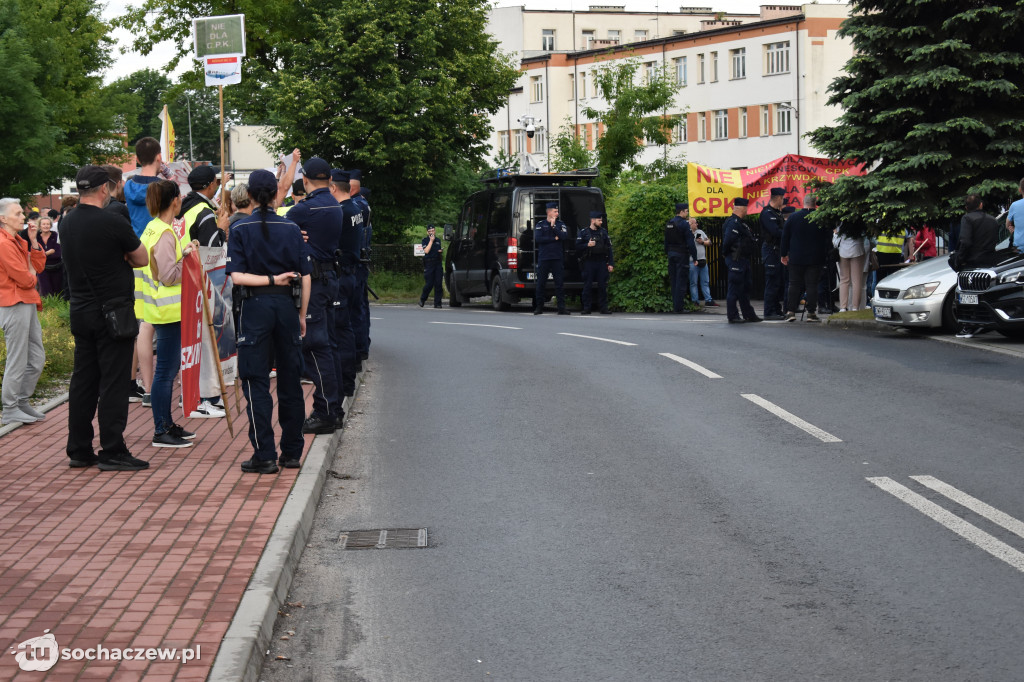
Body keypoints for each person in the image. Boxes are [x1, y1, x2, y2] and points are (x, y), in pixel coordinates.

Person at [60, 166, 150, 470]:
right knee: (113, 381)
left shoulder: (66, 222)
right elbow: (142, 257)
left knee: (83, 381)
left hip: (81, 310)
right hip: (112, 313)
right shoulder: (111, 220)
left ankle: (79, 449)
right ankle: (112, 449)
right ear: (103, 190)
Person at [226, 170, 311, 474]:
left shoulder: (240, 229)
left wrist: (268, 279)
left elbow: (237, 277)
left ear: (249, 195)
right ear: (277, 194)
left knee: (256, 380)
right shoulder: (291, 229)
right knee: (290, 379)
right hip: (286, 305)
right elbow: (306, 275)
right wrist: (301, 315)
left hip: (254, 306)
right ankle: (291, 452)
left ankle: (264, 453)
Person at [139, 180, 199, 448]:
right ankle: (161, 428)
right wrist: (186, 256)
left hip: (158, 309)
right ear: (174, 201)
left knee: (166, 370)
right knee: (166, 371)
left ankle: (166, 424)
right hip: (168, 312)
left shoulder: (152, 228)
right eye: (180, 197)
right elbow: (168, 275)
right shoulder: (164, 232)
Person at [286, 157, 342, 434]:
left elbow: (283, 231)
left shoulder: (303, 210)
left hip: (315, 282)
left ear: (305, 179)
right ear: (329, 180)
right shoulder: (335, 204)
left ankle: (325, 412)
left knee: (315, 347)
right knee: (328, 346)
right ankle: (334, 408)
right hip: (329, 277)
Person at [178, 165, 228, 419]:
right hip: (202, 282)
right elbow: (212, 251)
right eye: (216, 182)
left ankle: (191, 395)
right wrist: (222, 228)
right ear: (209, 185)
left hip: (184, 281)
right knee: (206, 344)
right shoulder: (205, 213)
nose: (218, 185)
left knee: (191, 346)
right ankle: (206, 397)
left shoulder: (184, 207)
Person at [125, 137, 164, 410]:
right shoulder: (163, 188)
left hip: (136, 254)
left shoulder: (128, 186)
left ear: (138, 158)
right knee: (156, 323)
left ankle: (138, 384)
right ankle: (154, 387)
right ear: (159, 157)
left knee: (141, 323)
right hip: (160, 255)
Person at [0, 198, 46, 425]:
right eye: (17, 214)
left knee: (36, 358)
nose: (23, 217)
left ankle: (21, 402)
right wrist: (30, 272)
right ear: (3, 218)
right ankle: (10, 408)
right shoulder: (3, 243)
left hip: (26, 301)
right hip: (13, 303)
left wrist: (34, 241)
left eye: (22, 213)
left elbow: (38, 267)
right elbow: (26, 278)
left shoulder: (18, 240)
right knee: (18, 359)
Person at [328, 168, 363, 409]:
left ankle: (346, 382)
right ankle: (348, 378)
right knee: (347, 327)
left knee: (341, 331)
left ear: (333, 188)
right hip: (352, 273)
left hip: (342, 274)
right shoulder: (356, 209)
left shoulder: (340, 212)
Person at [781, 194, 832, 322]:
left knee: (794, 284)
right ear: (815, 204)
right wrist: (825, 253)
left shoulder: (793, 217)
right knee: (812, 285)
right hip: (815, 258)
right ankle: (811, 313)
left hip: (796, 257)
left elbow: (785, 237)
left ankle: (790, 311)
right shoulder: (820, 218)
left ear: (803, 203)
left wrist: (783, 254)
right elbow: (828, 239)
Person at [721, 198, 761, 323]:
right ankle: (732, 316)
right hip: (736, 259)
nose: (747, 210)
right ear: (741, 208)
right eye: (746, 208)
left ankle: (748, 314)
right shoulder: (733, 223)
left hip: (743, 260)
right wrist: (726, 254)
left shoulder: (741, 223)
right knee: (734, 288)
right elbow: (727, 242)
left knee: (745, 289)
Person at [349, 170, 372, 363]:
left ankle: (359, 348)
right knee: (361, 307)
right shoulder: (362, 204)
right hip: (360, 262)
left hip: (355, 264)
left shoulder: (356, 205)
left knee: (356, 309)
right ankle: (362, 345)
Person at [533, 201, 569, 315]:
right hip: (544, 258)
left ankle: (561, 308)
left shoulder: (560, 224)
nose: (557, 213)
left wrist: (553, 227)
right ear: (549, 212)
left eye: (557, 211)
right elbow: (539, 239)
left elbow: (564, 236)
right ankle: (539, 307)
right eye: (555, 211)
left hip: (557, 258)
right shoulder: (540, 224)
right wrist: (554, 238)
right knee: (541, 283)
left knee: (559, 284)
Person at [575, 211, 614, 314]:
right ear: (592, 220)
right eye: (599, 220)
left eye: (601, 220)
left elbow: (609, 248)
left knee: (602, 286)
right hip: (589, 262)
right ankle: (586, 308)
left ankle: (603, 308)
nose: (601, 222)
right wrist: (587, 245)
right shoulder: (584, 232)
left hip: (601, 262)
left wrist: (611, 263)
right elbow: (577, 247)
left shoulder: (603, 232)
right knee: (587, 286)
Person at [759, 188, 787, 319]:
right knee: (772, 282)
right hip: (771, 250)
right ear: (778, 198)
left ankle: (776, 310)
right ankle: (769, 312)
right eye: (782, 198)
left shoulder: (777, 213)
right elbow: (776, 231)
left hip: (777, 250)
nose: (783, 201)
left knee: (778, 282)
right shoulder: (767, 213)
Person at [665, 202, 697, 313]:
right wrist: (695, 257)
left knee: (674, 281)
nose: (687, 213)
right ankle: (679, 308)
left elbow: (666, 242)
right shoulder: (684, 224)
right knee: (681, 281)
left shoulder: (669, 223)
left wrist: (668, 253)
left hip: (671, 254)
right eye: (687, 211)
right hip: (681, 255)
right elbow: (690, 242)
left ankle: (675, 306)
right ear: (682, 211)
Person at [832, 225, 868, 312]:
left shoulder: (840, 223)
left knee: (844, 280)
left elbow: (836, 238)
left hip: (843, 250)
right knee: (857, 281)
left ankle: (843, 307)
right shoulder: (860, 223)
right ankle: (855, 307)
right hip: (858, 249)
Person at [688, 217, 716, 308]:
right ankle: (695, 301)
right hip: (692, 261)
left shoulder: (700, 232)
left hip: (702, 260)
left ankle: (708, 300)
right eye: (695, 223)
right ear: (690, 224)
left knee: (705, 281)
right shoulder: (687, 233)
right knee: (694, 282)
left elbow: (710, 242)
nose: (697, 224)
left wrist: (702, 242)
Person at [34, 216, 62, 297]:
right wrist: (47, 253)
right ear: (39, 226)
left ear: (50, 225)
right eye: (43, 224)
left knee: (57, 291)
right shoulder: (36, 238)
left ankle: (56, 308)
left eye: (48, 224)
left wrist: (42, 254)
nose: (46, 226)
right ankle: (47, 308)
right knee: (45, 291)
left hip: (56, 267)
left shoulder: (56, 235)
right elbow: (35, 254)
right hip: (42, 268)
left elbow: (57, 254)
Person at [419, 224, 444, 308]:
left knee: (438, 284)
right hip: (429, 263)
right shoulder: (425, 240)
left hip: (437, 263)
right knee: (429, 284)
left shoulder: (438, 240)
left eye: (432, 231)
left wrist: (440, 251)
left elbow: (437, 250)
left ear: (435, 231)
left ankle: (438, 303)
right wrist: (431, 241)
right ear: (427, 232)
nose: (431, 233)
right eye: (429, 231)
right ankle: (422, 299)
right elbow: (426, 251)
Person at [1006, 177, 1024, 252]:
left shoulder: (1015, 205)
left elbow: (1007, 225)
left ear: (1020, 190)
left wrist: (1011, 228)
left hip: (1020, 249)